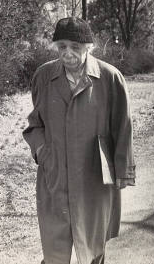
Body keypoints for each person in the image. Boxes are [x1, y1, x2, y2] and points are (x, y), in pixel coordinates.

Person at [23, 17, 135, 264]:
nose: (68, 53)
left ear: (89, 47)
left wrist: (122, 171)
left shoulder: (110, 78)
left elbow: (123, 128)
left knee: (93, 249)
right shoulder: (43, 77)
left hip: (94, 177)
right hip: (55, 177)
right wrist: (43, 152)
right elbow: (34, 124)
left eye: (75, 46)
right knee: (54, 252)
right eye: (62, 46)